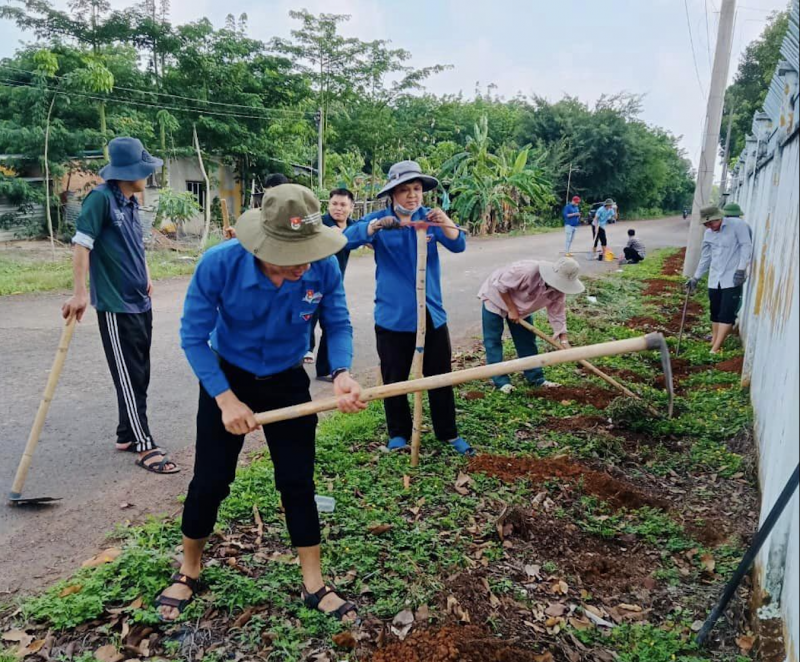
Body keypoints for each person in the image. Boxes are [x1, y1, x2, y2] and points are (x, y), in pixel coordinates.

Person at [156, 184, 366, 623]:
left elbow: (338, 323)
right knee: (211, 480)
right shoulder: (219, 264)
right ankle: (189, 568)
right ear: (261, 245)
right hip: (227, 377)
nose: (303, 265)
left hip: (288, 378)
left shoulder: (323, 268)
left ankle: (313, 582)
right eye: (292, 256)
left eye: (309, 251)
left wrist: (342, 373)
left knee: (297, 481)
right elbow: (193, 337)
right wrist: (225, 399)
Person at [61, 137, 178, 475]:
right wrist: (80, 294)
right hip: (115, 304)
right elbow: (82, 246)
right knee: (127, 373)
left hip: (140, 299)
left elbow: (135, 246)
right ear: (129, 172)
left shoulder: (129, 202)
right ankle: (144, 445)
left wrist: (147, 274)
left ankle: (126, 433)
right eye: (145, 170)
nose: (148, 176)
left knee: (140, 371)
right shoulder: (99, 199)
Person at [344, 160, 473, 456]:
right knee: (395, 378)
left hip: (431, 313)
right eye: (405, 190)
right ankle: (398, 434)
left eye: (416, 189)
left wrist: (447, 222)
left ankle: (448, 433)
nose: (412, 195)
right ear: (392, 193)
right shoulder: (380, 220)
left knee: (440, 376)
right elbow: (345, 240)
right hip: (393, 315)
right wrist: (374, 226)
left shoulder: (430, 219)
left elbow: (459, 246)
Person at [478, 258, 584, 394]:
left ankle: (536, 378)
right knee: (493, 341)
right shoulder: (526, 271)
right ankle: (501, 381)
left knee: (527, 341)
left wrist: (563, 339)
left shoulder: (558, 291)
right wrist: (511, 309)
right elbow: (501, 286)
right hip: (496, 298)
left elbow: (557, 313)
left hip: (522, 308)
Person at [685, 205, 753, 354]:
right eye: (706, 224)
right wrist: (696, 277)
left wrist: (741, 269)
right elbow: (706, 257)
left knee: (726, 313)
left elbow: (746, 247)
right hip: (715, 278)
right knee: (715, 311)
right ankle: (714, 341)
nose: (709, 226)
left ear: (719, 217)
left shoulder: (737, 225)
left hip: (732, 277)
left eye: (711, 223)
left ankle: (716, 348)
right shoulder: (709, 234)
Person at [307, 188, 356, 377]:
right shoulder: (318, 222)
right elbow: (294, 224)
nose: (338, 208)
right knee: (307, 316)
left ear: (351, 207)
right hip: (310, 279)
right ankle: (305, 349)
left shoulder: (353, 227)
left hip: (335, 282)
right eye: (334, 204)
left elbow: (369, 238)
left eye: (343, 205)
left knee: (333, 323)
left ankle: (325, 369)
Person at [223, 173, 290, 241]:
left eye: (272, 194)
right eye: (266, 193)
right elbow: (255, 240)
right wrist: (236, 236)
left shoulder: (292, 216)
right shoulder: (262, 216)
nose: (267, 198)